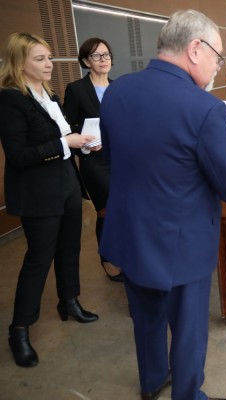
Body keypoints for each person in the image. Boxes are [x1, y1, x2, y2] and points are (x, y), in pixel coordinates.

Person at [98, 10, 226, 400]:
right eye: (217, 56)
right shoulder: (204, 108)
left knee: (146, 320)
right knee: (188, 329)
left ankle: (152, 384)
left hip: (130, 232)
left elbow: (116, 158)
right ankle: (186, 395)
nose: (219, 66)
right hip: (180, 241)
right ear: (194, 48)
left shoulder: (118, 91)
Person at [0, 32, 100, 368]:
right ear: (19, 62)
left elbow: (63, 137)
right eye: (40, 59)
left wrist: (81, 144)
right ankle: (19, 329)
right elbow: (17, 155)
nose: (49, 64)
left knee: (70, 247)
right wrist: (64, 144)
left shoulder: (49, 94)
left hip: (66, 183)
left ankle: (68, 301)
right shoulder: (11, 99)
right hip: (37, 191)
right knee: (39, 259)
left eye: (50, 58)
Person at [63, 37, 122, 282]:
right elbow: (67, 126)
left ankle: (124, 253)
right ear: (86, 60)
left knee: (125, 209)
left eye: (106, 55)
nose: (103, 59)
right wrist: (85, 138)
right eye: (97, 56)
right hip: (95, 161)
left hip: (121, 158)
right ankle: (107, 257)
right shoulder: (76, 89)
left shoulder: (118, 87)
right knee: (107, 209)